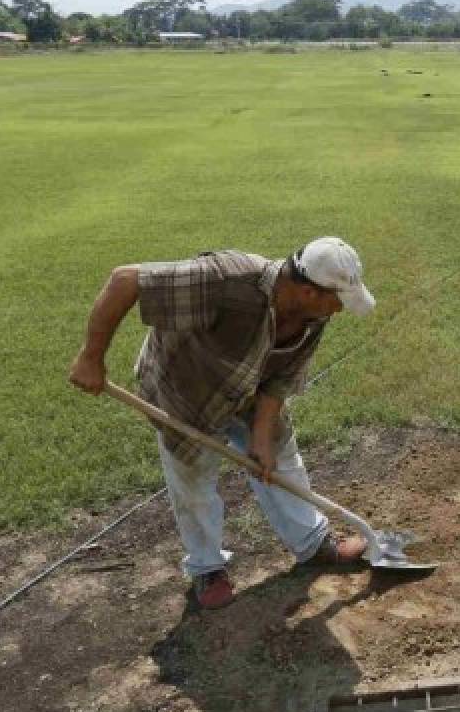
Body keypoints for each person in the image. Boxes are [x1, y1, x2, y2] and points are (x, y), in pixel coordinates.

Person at [69, 237, 376, 609]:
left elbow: (283, 376)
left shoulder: (315, 315)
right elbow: (126, 280)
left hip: (250, 388)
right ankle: (207, 568)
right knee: (193, 481)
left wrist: (261, 437)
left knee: (281, 459)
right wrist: (91, 357)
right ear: (309, 291)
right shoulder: (226, 281)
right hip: (187, 390)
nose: (340, 310)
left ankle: (313, 545)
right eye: (338, 300)